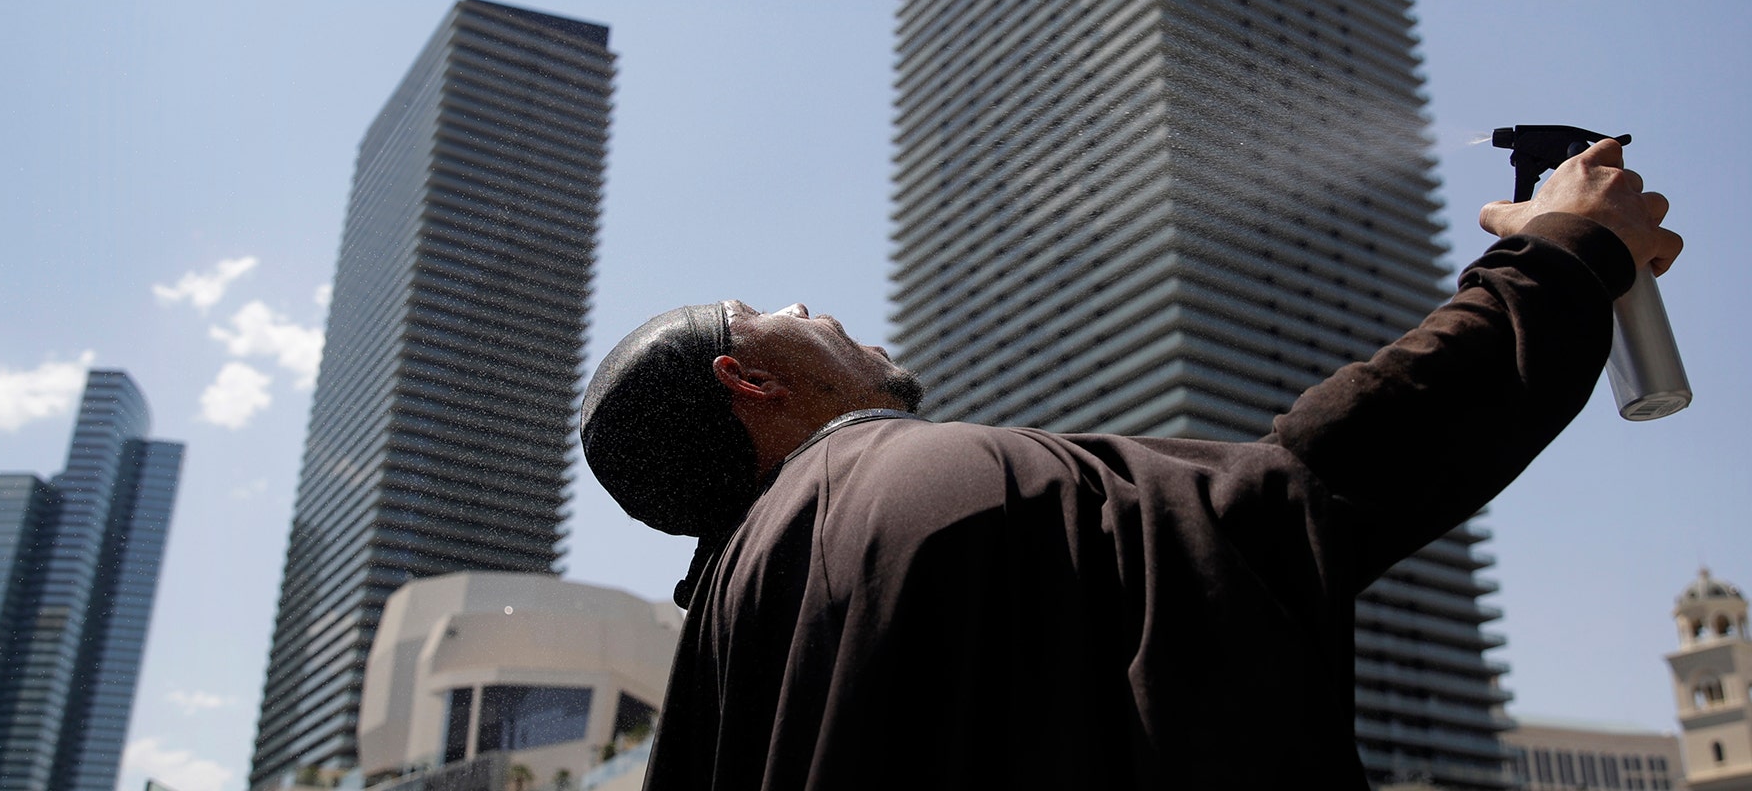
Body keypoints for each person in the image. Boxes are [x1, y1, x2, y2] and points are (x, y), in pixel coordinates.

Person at [579, 139, 1680, 789]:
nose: (806, 305)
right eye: (768, 313)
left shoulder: (727, 650)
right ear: (749, 383)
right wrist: (1562, 258)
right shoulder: (907, 484)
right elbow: (1292, 500)